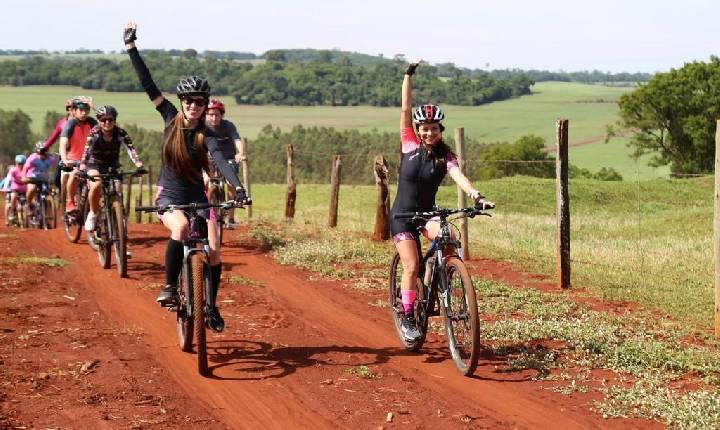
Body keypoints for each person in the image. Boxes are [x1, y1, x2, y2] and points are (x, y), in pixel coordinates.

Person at [124, 21, 250, 332]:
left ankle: (211, 306)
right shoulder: (169, 116)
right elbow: (147, 82)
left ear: (206, 105)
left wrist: (238, 187)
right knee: (179, 228)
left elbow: (220, 159)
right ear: (181, 101)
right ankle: (169, 287)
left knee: (215, 251)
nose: (194, 106)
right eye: (189, 101)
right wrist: (131, 48)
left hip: (197, 196)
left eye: (200, 102)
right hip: (170, 195)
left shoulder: (205, 133)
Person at [390, 61, 493, 342]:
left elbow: (458, 176)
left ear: (440, 130)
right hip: (402, 216)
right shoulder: (408, 144)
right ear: (417, 129)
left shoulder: (445, 156)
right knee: (410, 265)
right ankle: (409, 313)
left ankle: (445, 277)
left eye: (433, 128)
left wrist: (475, 195)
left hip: (426, 214)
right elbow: (404, 107)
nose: (428, 133)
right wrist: (408, 75)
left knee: (447, 237)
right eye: (424, 128)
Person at [79, 105, 144, 231]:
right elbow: (86, 152)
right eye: (103, 120)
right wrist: (82, 167)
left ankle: (117, 221)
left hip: (112, 165)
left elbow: (131, 149)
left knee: (118, 190)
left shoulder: (120, 133)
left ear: (115, 120)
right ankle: (92, 213)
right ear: (98, 121)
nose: (107, 123)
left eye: (110, 119)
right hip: (94, 164)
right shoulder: (94, 133)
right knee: (96, 185)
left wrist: (138, 164)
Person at [205, 99, 246, 228]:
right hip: (210, 159)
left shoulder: (228, 126)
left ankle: (231, 218)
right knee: (204, 181)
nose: (214, 117)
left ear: (221, 115)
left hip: (229, 158)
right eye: (210, 114)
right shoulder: (204, 127)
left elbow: (236, 139)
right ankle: (205, 213)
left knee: (230, 183)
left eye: (216, 115)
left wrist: (240, 152)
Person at [59, 96, 97, 213]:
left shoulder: (91, 122)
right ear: (74, 111)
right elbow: (63, 144)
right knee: (74, 175)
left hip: (89, 161)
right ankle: (70, 202)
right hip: (73, 160)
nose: (84, 113)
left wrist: (94, 107)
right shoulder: (70, 124)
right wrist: (65, 159)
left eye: (86, 110)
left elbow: (105, 121)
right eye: (81, 110)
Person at [22, 141, 58, 223]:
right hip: (32, 178)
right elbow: (25, 168)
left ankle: (47, 215)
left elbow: (56, 163)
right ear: (37, 150)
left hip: (44, 180)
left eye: (45, 150)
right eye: (41, 151)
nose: (43, 153)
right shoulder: (32, 158)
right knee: (32, 188)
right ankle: (28, 204)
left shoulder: (50, 158)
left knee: (49, 192)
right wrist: (24, 177)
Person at [42, 99, 72, 188]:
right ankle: (63, 199)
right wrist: (44, 147)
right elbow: (53, 137)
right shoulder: (62, 123)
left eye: (75, 107)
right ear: (68, 109)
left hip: (80, 154)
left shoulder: (84, 123)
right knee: (57, 180)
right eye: (70, 107)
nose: (72, 109)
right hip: (64, 154)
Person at [5, 155, 28, 227]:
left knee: (32, 201)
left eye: (22, 164)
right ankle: (12, 212)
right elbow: (8, 179)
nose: (21, 165)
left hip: (25, 190)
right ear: (16, 163)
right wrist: (5, 188)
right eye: (19, 164)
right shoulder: (13, 170)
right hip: (15, 189)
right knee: (13, 197)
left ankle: (33, 215)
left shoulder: (27, 170)